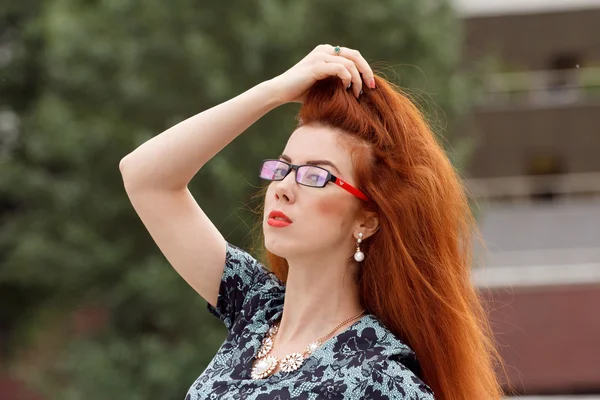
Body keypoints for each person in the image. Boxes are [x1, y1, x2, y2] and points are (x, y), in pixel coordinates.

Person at [120, 45, 505, 399]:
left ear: (367, 220)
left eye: (316, 176)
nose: (284, 187)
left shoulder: (381, 379)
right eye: (284, 168)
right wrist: (274, 91)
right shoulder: (254, 309)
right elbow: (145, 177)